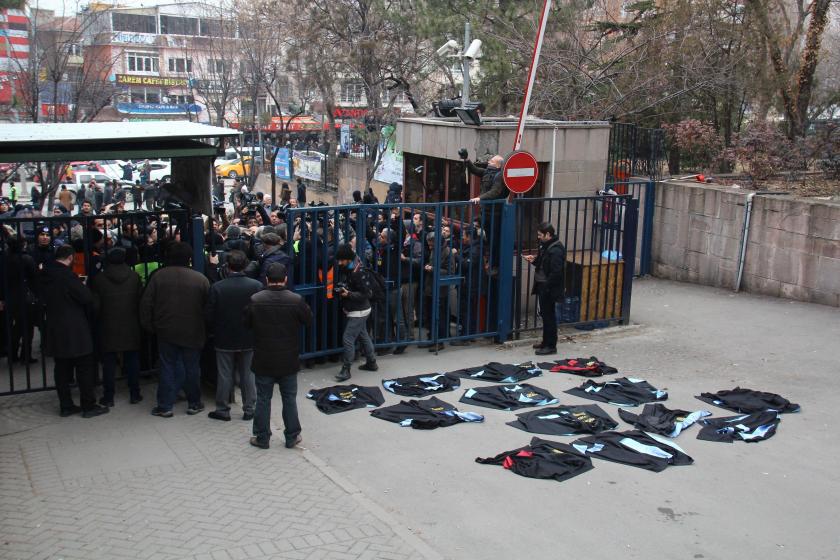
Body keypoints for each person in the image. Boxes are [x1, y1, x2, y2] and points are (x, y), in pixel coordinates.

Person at [244, 263, 313, 449]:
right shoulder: (296, 300)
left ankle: (262, 437)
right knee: (289, 398)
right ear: (285, 279)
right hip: (288, 358)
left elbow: (247, 323)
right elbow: (308, 320)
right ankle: (292, 436)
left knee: (263, 398)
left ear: (267, 279)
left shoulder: (256, 299)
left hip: (263, 358)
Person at [140, 241, 210, 417]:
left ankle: (165, 405)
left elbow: (146, 303)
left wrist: (149, 326)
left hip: (166, 329)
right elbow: (208, 307)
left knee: (167, 366)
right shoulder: (200, 279)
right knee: (192, 367)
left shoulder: (158, 277)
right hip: (193, 330)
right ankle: (194, 403)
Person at [39, 244, 109, 418]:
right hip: (74, 326)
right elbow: (85, 297)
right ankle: (88, 405)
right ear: (70, 258)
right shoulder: (67, 276)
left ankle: (66, 405)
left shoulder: (45, 274)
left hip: (54, 325)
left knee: (61, 368)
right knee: (84, 366)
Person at [205, 249, 263, 422]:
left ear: (227, 266)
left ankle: (222, 409)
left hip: (224, 336)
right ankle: (249, 408)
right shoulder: (256, 286)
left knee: (224, 374)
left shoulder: (217, 287)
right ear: (245, 265)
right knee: (248, 374)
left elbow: (208, 314)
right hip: (248, 336)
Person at [91, 248, 144, 405]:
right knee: (132, 360)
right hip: (131, 324)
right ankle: (135, 393)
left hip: (107, 325)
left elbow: (95, 306)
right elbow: (140, 300)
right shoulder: (134, 277)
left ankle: (109, 396)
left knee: (108, 364)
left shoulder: (99, 279)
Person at [333, 243, 377, 381]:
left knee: (348, 339)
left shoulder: (357, 271)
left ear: (347, 258)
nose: (339, 263)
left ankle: (346, 370)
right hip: (360, 309)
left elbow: (367, 293)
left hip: (359, 310)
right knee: (363, 335)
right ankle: (371, 362)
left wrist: (348, 294)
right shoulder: (353, 266)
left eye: (341, 260)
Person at [524, 222, 566, 355]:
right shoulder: (546, 246)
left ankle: (551, 345)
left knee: (549, 316)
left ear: (548, 234)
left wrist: (547, 287)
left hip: (548, 288)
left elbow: (556, 273)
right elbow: (542, 262)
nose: (538, 237)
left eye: (540, 235)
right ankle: (545, 341)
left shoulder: (556, 249)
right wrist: (534, 260)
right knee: (545, 314)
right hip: (543, 285)